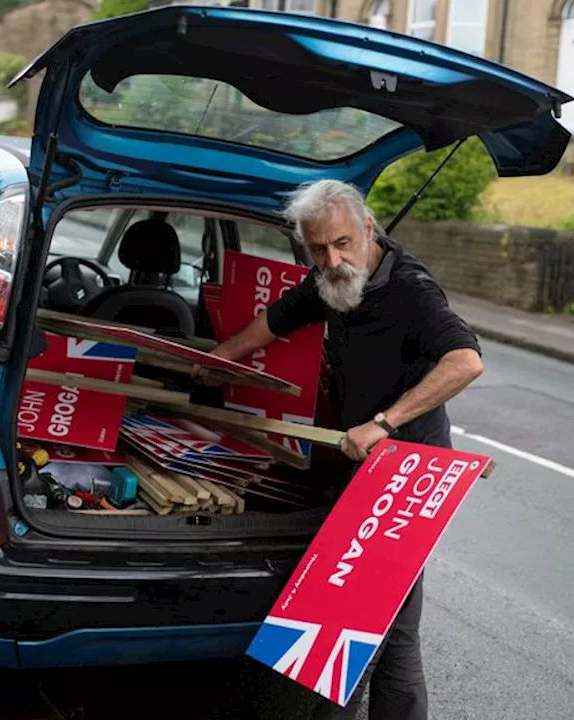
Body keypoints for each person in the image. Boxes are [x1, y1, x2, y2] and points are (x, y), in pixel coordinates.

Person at [207, 178, 484, 720]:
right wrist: (217, 360)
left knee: (385, 624)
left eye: (341, 244)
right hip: (365, 468)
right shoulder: (333, 280)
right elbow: (278, 319)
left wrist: (384, 421)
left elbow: (466, 360)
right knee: (365, 619)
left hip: (411, 470)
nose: (332, 260)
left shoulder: (411, 291)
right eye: (317, 249)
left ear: (368, 230)